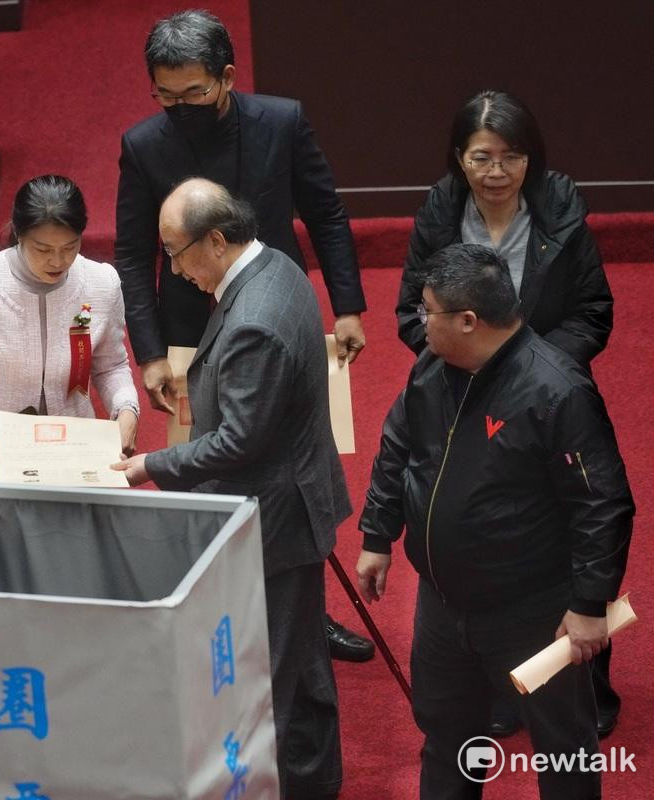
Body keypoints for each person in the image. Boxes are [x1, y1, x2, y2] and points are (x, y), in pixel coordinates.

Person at [115, 8, 372, 663]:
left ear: (226, 77)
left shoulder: (280, 122)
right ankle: (221, 615)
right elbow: (132, 253)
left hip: (276, 316)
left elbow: (326, 211)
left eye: (194, 93)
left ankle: (308, 615)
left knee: (295, 472)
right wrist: (148, 355)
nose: (180, 108)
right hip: (188, 335)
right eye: (166, 97)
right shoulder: (145, 145)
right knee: (209, 478)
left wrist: (346, 306)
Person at [357, 243, 634, 799]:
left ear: (468, 321)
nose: (416, 320)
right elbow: (397, 446)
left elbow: (602, 504)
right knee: (447, 738)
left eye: (426, 310)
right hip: (442, 603)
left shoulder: (557, 392)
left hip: (533, 611)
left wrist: (587, 605)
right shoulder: (432, 368)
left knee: (564, 752)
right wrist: (377, 534)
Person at [114, 178, 350, 799]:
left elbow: (240, 442)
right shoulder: (274, 265)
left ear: (215, 240)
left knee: (270, 673)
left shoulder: (256, 319)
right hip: (290, 498)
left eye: (175, 251)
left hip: (273, 516)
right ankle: (314, 782)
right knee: (303, 665)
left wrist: (153, 466)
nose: (172, 267)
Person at [396, 89, 617, 737]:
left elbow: (593, 312)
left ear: (532, 159)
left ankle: (586, 686)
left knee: (567, 533)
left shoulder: (560, 206)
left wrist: (532, 371)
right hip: (461, 400)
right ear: (459, 159)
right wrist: (455, 361)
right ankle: (493, 687)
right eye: (482, 157)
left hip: (548, 401)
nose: (497, 172)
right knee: (485, 532)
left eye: (512, 157)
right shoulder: (440, 209)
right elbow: (413, 309)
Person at [0, 174, 139, 479]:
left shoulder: (101, 284)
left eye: (70, 247)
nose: (58, 261)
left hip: (73, 459)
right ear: (18, 234)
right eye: (43, 250)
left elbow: (110, 365)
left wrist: (126, 407)